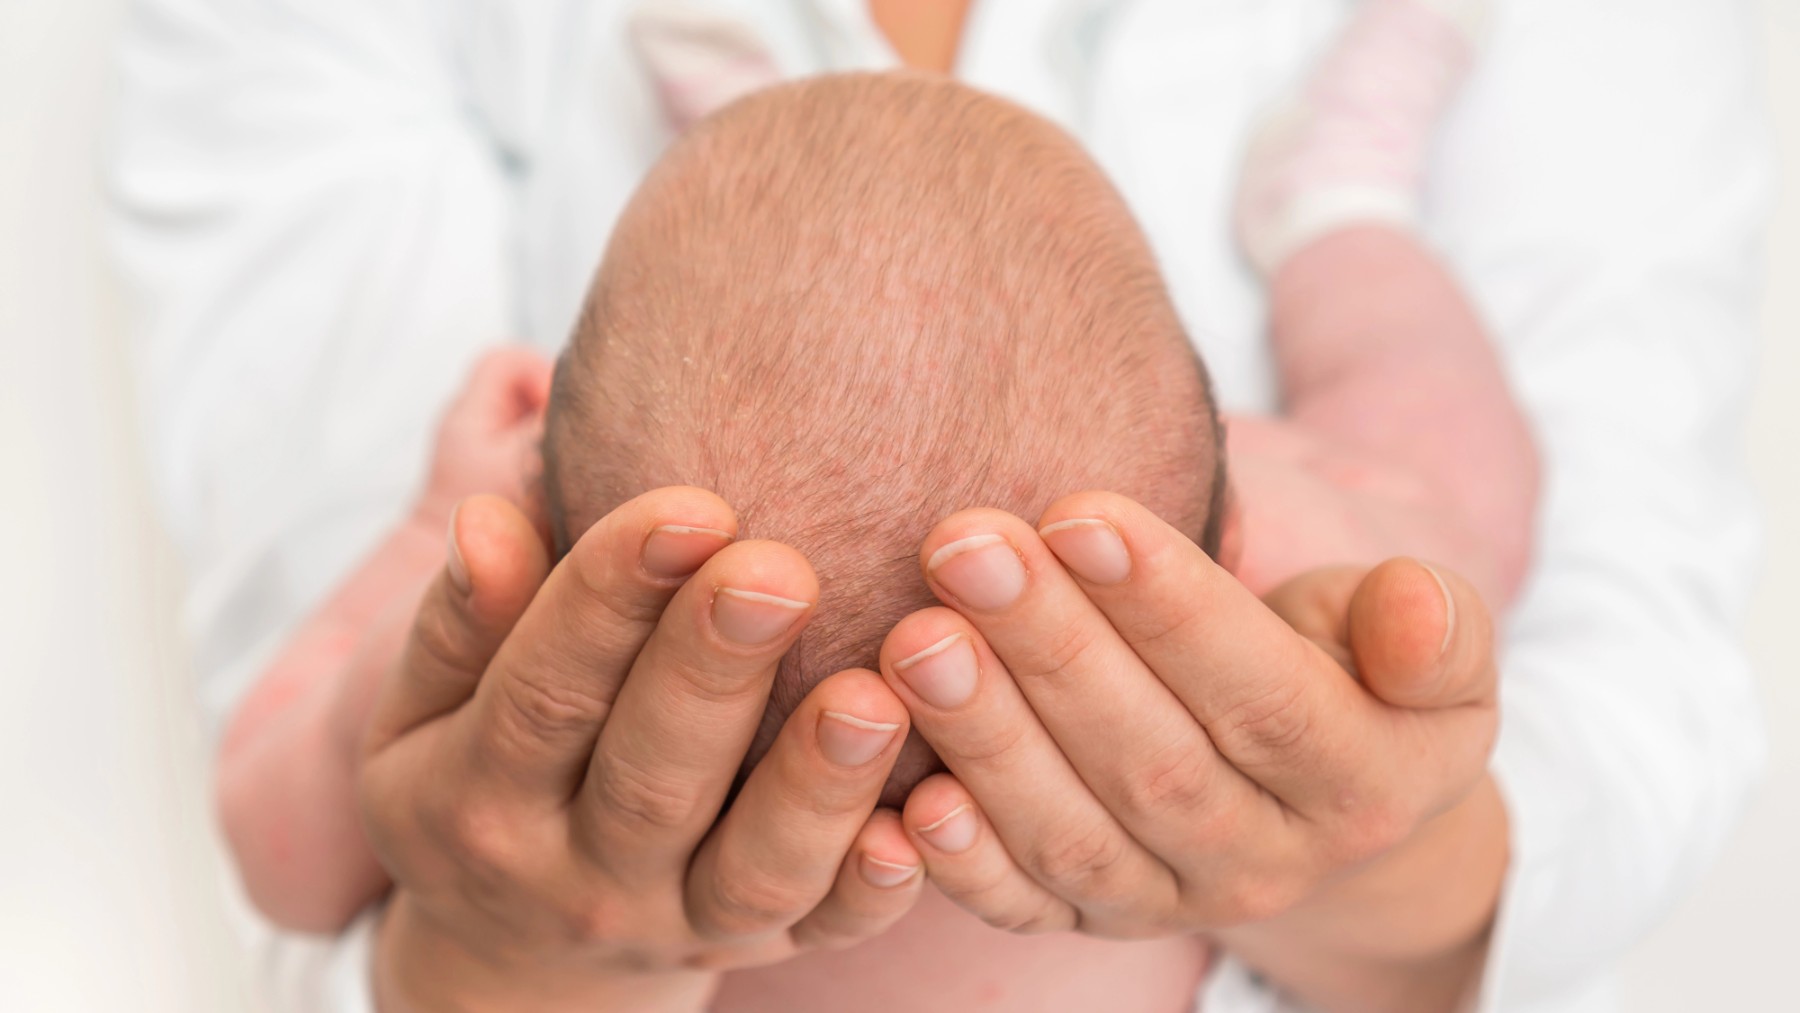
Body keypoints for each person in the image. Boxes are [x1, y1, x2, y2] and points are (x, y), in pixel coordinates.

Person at [109, 0, 1768, 1011]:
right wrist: (1404, 711)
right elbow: (1592, 664)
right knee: (1440, 469)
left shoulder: (492, 613)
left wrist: (437, 541)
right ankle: (1338, 200)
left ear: (547, 556)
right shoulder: (1291, 588)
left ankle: (787, 138)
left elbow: (286, 840)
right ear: (1237, 536)